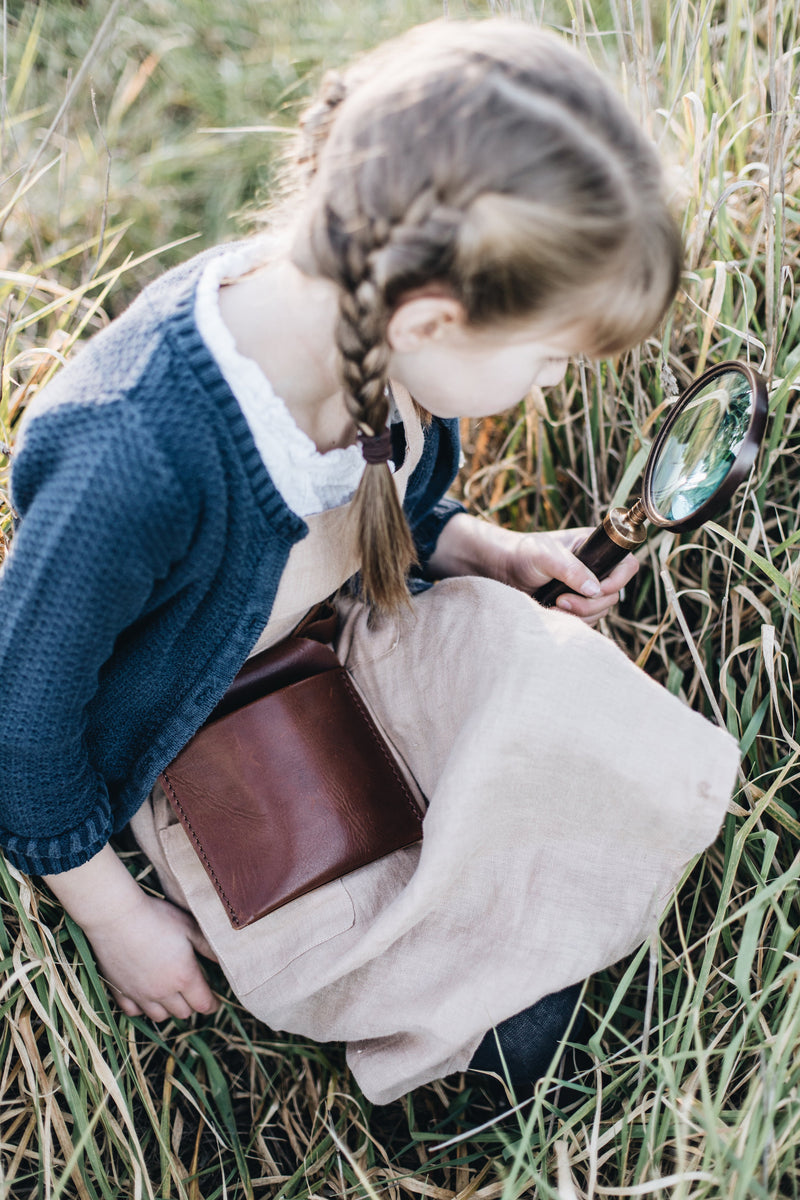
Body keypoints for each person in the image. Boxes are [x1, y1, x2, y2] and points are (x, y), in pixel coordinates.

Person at [0, 19, 739, 1106]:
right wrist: (113, 915)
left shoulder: (364, 329)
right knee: (428, 984)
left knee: (544, 682)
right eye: (544, 358)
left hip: (334, 634)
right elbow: (22, 716)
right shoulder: (135, 459)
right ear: (433, 317)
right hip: (187, 729)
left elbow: (384, 500)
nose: (543, 385)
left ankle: (506, 917)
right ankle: (457, 1018)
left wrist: (480, 545)